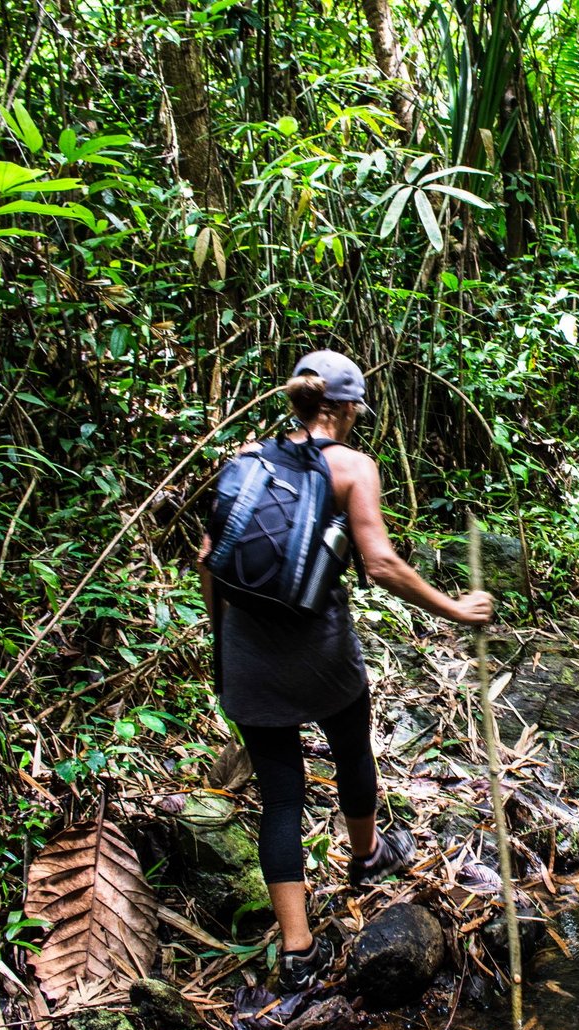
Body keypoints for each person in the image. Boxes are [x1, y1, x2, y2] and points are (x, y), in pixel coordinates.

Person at [198, 348, 495, 992]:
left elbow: (208, 557)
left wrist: (224, 643)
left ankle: (298, 950)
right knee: (352, 750)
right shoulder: (353, 467)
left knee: (280, 795)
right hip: (321, 651)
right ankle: (366, 858)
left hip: (247, 653)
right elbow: (382, 565)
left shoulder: (244, 462)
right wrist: (457, 609)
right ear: (347, 407)